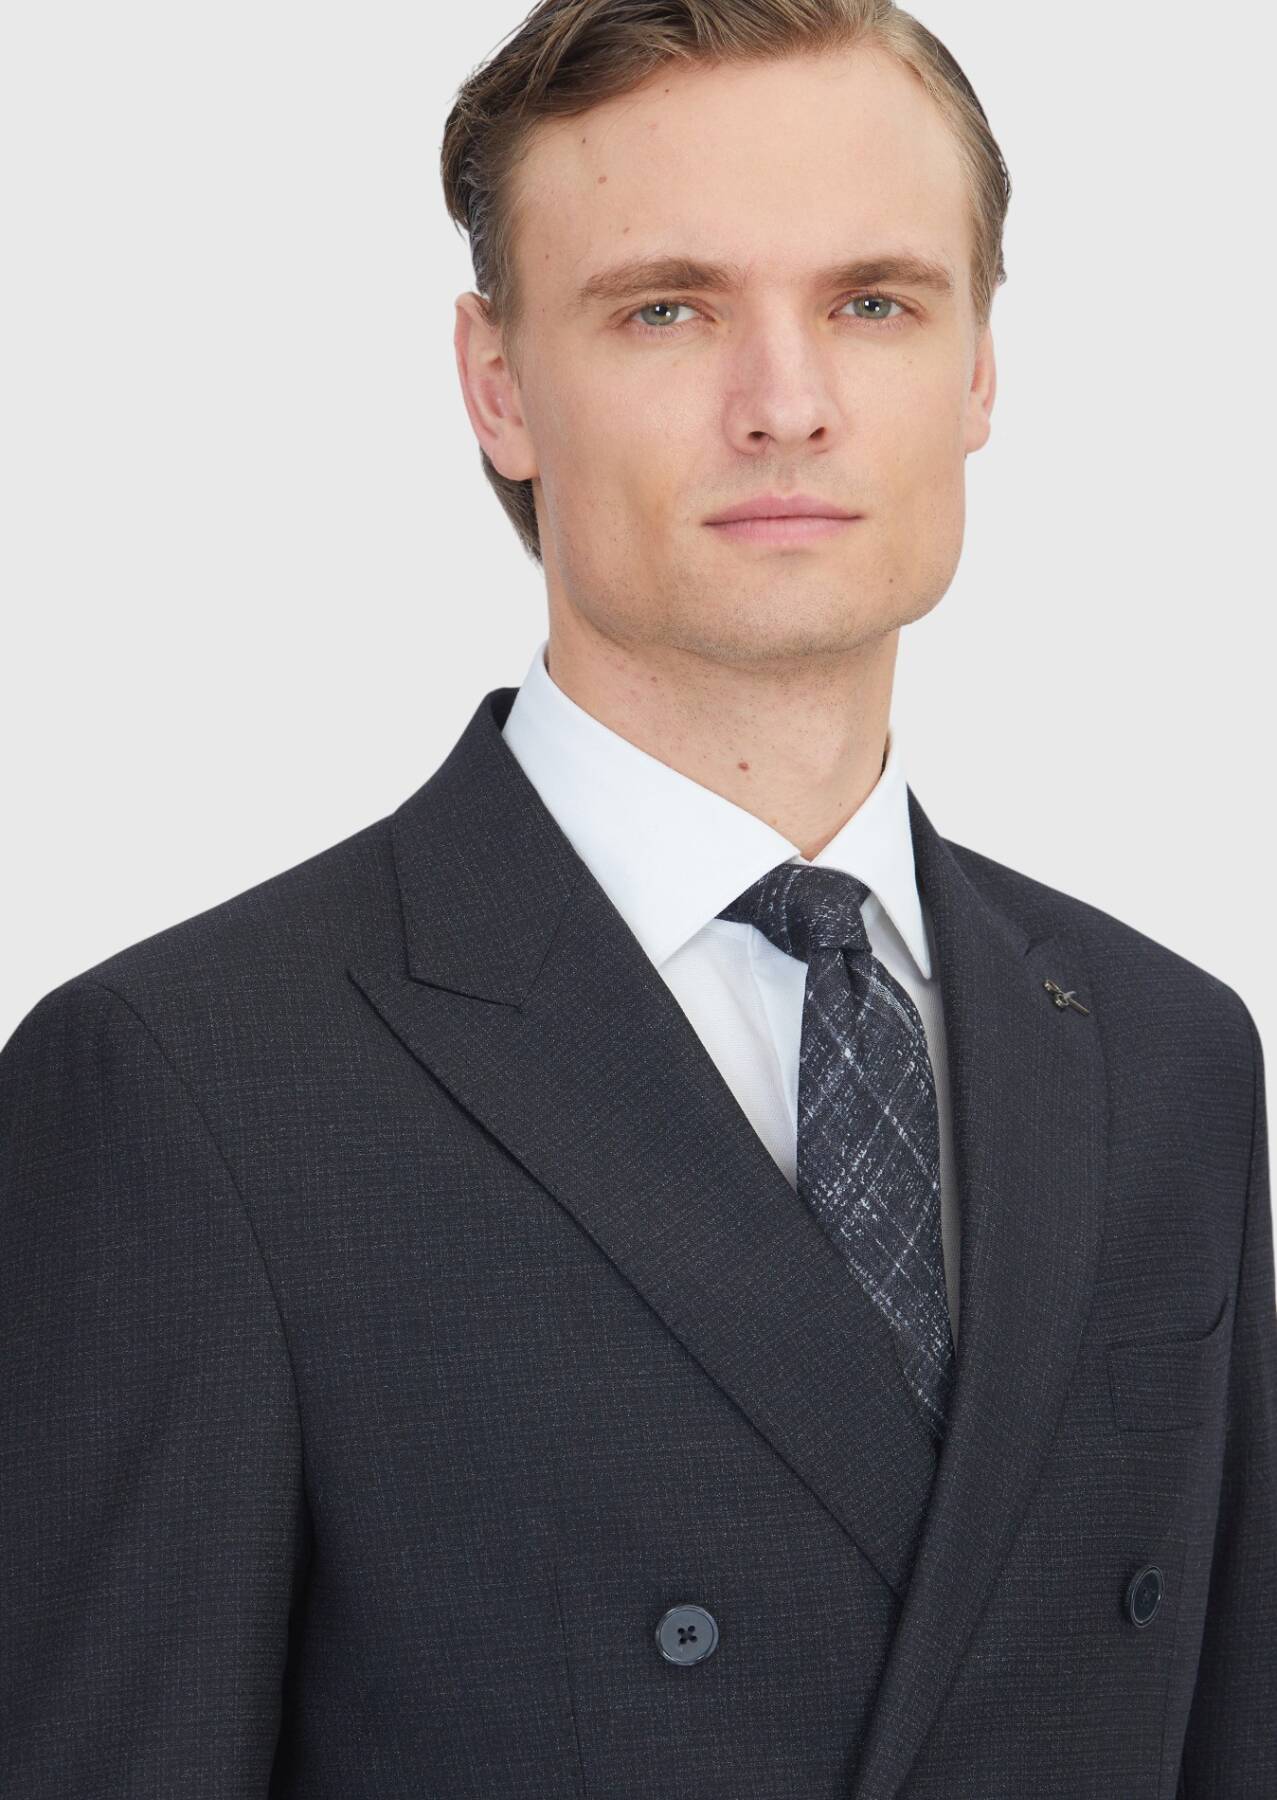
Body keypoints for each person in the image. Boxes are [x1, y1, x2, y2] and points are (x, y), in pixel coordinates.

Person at [2, 1, 1272, 1794]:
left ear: (980, 368)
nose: (786, 403)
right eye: (666, 309)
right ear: (498, 385)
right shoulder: (190, 1085)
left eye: (874, 302)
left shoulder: (1168, 1052)